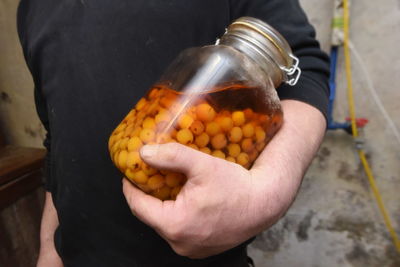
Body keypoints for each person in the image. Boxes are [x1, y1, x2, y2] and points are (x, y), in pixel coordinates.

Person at [17, 0, 329, 266]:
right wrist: (49, 250)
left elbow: (305, 73)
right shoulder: (30, 8)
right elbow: (56, 139)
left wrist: (265, 194)